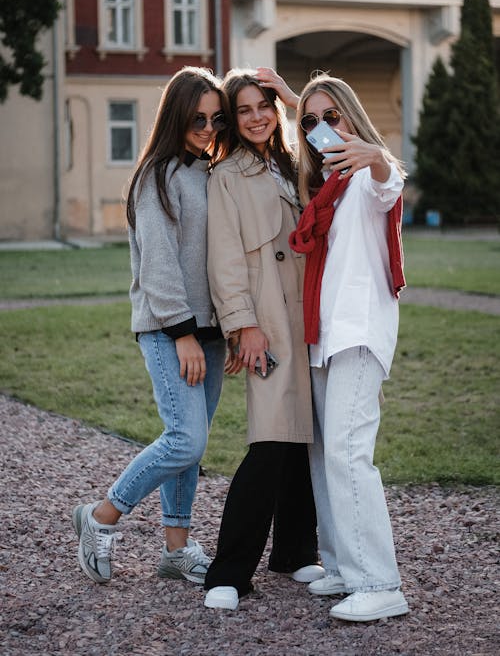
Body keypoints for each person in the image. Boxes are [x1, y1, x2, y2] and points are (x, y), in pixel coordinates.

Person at [72, 66, 232, 586]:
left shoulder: (209, 173)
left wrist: (226, 329)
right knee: (185, 440)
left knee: (193, 444)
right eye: (197, 118)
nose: (207, 127)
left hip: (208, 331)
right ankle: (101, 516)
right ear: (175, 116)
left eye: (215, 119)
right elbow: (161, 265)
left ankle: (176, 549)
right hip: (170, 330)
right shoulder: (156, 176)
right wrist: (183, 333)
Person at [289, 73, 409, 622]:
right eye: (310, 123)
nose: (320, 129)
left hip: (358, 332)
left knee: (347, 451)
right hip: (325, 333)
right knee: (324, 453)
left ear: (355, 120)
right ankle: (341, 565)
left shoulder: (365, 177)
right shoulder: (327, 187)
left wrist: (374, 154)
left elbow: (389, 181)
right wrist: (297, 104)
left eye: (332, 117)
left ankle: (380, 583)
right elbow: (317, 125)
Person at [203, 68, 324, 611]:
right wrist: (242, 325)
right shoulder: (225, 175)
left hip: (313, 318)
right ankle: (228, 572)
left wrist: (300, 102)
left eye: (265, 106)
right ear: (234, 117)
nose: (257, 117)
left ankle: (296, 552)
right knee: (272, 438)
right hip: (266, 322)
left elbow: (349, 149)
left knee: (304, 435)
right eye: (245, 109)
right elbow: (225, 257)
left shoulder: (294, 163)